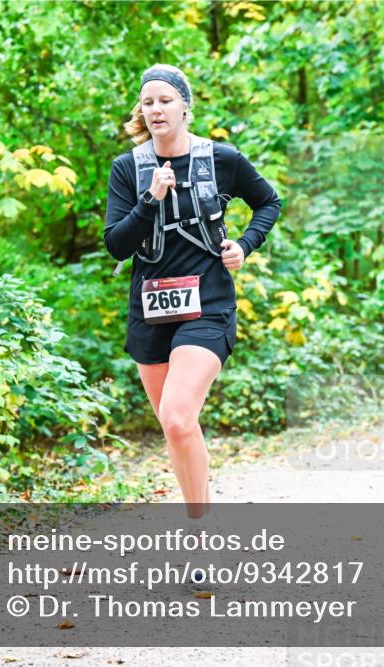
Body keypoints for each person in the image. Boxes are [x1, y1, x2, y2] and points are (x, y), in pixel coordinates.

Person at [103, 65, 281, 588]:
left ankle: (202, 537)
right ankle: (202, 512)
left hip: (208, 304)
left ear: (185, 107)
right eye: (147, 102)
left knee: (179, 417)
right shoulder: (129, 169)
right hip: (150, 311)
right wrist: (151, 197)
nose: (155, 110)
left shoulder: (220, 158)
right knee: (173, 425)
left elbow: (269, 201)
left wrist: (244, 246)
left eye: (164, 100)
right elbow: (116, 244)